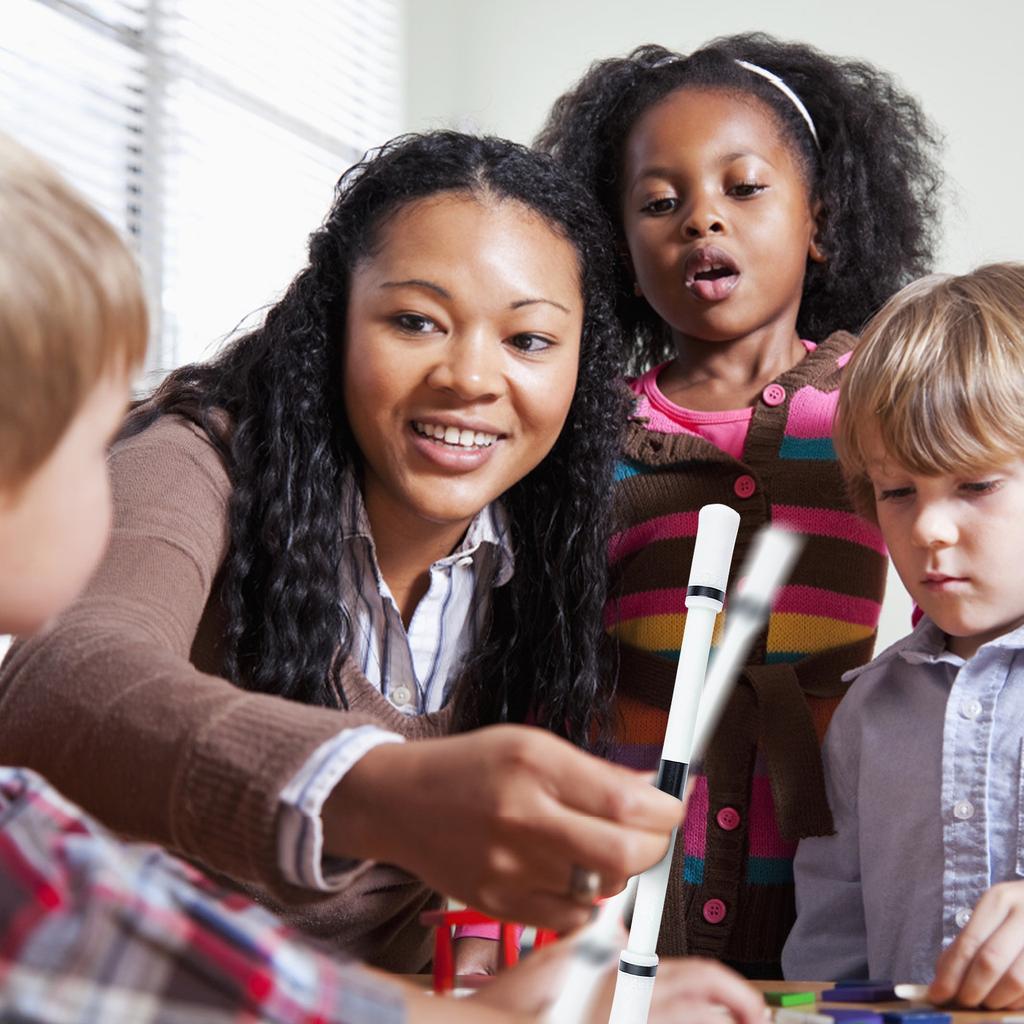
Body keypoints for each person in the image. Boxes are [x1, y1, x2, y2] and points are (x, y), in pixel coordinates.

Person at [0, 131, 770, 1023]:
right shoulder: (192, 461)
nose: (471, 377)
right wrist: (382, 794)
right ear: (332, 320)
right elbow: (59, 684)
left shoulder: (553, 540)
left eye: (528, 339)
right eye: (414, 322)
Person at [525, 33, 945, 976]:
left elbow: (951, 611)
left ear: (820, 223)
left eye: (743, 189)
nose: (700, 222)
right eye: (660, 203)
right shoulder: (588, 431)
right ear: (618, 252)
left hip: (835, 848)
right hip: (639, 862)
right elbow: (552, 645)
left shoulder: (879, 401)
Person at [783, 263, 1024, 1010]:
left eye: (976, 485)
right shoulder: (868, 714)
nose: (928, 528)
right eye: (898, 492)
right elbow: (830, 945)